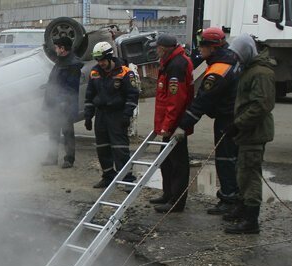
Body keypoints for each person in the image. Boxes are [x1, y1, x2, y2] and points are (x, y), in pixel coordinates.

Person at [176, 27, 240, 215]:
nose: (199, 50)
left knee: (225, 159)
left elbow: (202, 101)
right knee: (233, 159)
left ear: (212, 47)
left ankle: (229, 200)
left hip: (227, 120)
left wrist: (183, 125)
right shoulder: (230, 59)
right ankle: (233, 196)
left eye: (202, 46)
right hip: (234, 117)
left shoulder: (218, 70)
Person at [223, 34, 276, 234]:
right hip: (246, 131)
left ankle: (251, 220)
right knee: (242, 171)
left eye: (237, 54)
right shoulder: (249, 69)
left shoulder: (260, 73)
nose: (235, 58)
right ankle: (243, 208)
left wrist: (238, 124)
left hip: (254, 132)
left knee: (250, 174)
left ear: (246, 52)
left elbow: (261, 105)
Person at [83, 41, 140, 188]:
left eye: (102, 59)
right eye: (98, 60)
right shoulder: (94, 72)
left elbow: (132, 95)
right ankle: (108, 176)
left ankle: (127, 179)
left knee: (120, 148)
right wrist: (88, 116)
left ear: (109, 57)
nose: (100, 63)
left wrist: (127, 115)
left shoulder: (125, 72)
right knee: (102, 147)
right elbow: (89, 96)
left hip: (117, 115)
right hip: (101, 115)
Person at [152, 34, 194, 213]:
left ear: (165, 48)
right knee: (166, 161)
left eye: (158, 47)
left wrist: (168, 126)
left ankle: (176, 201)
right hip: (169, 123)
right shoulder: (170, 62)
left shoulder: (176, 65)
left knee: (178, 164)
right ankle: (168, 194)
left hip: (175, 124)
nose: (156, 50)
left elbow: (176, 100)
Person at [42, 36, 83, 169]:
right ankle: (52, 157)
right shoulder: (60, 61)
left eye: (57, 47)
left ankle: (69, 159)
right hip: (54, 105)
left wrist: (61, 102)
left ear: (63, 48)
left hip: (65, 106)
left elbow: (71, 88)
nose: (55, 49)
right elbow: (55, 82)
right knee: (53, 132)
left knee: (67, 133)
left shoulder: (73, 64)